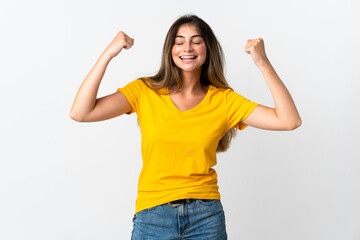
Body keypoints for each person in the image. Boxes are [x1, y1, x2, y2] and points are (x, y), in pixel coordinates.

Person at [70, 14, 301, 240]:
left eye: (196, 41)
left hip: (206, 217)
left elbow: (289, 120)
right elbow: (81, 112)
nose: (187, 48)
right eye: (179, 42)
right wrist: (108, 55)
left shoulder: (224, 100)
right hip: (152, 216)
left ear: (207, 48)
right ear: (170, 50)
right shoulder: (144, 91)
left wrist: (263, 63)